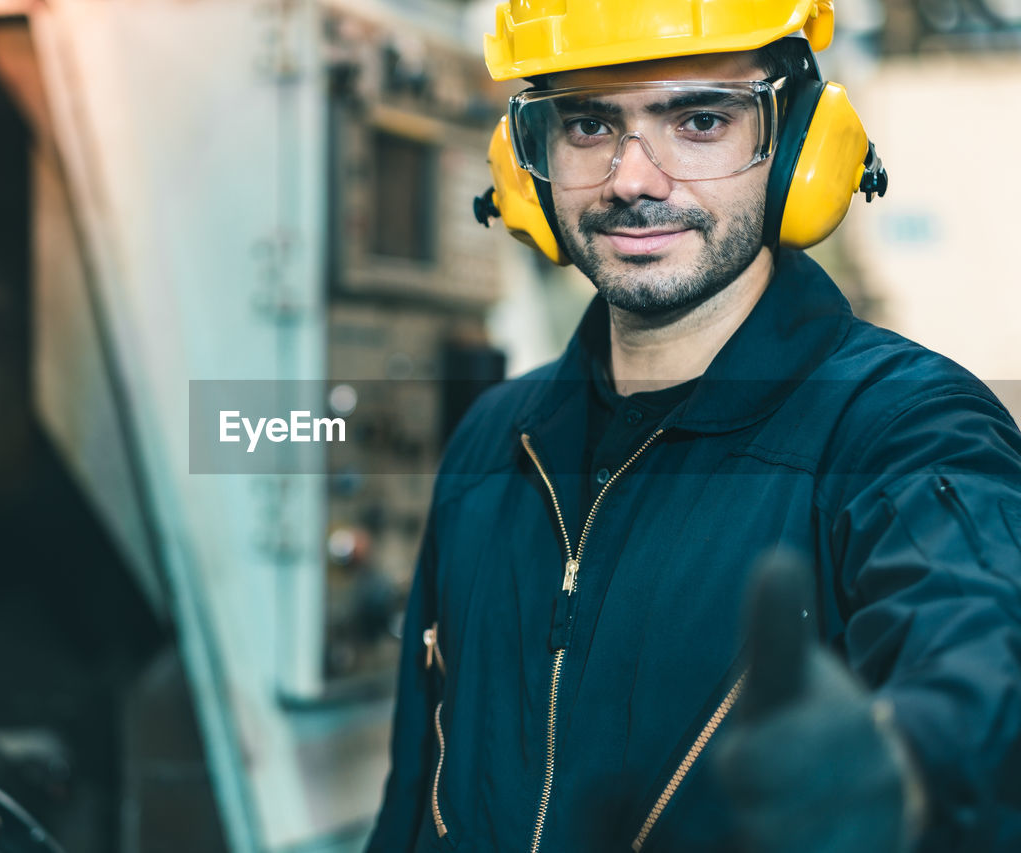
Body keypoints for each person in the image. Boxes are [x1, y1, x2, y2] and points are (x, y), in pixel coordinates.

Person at [366, 1, 1021, 851]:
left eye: (700, 119)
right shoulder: (493, 443)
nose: (633, 179)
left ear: (798, 148)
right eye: (590, 123)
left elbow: (988, 652)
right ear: (526, 166)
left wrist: (903, 768)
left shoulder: (904, 430)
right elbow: (412, 807)